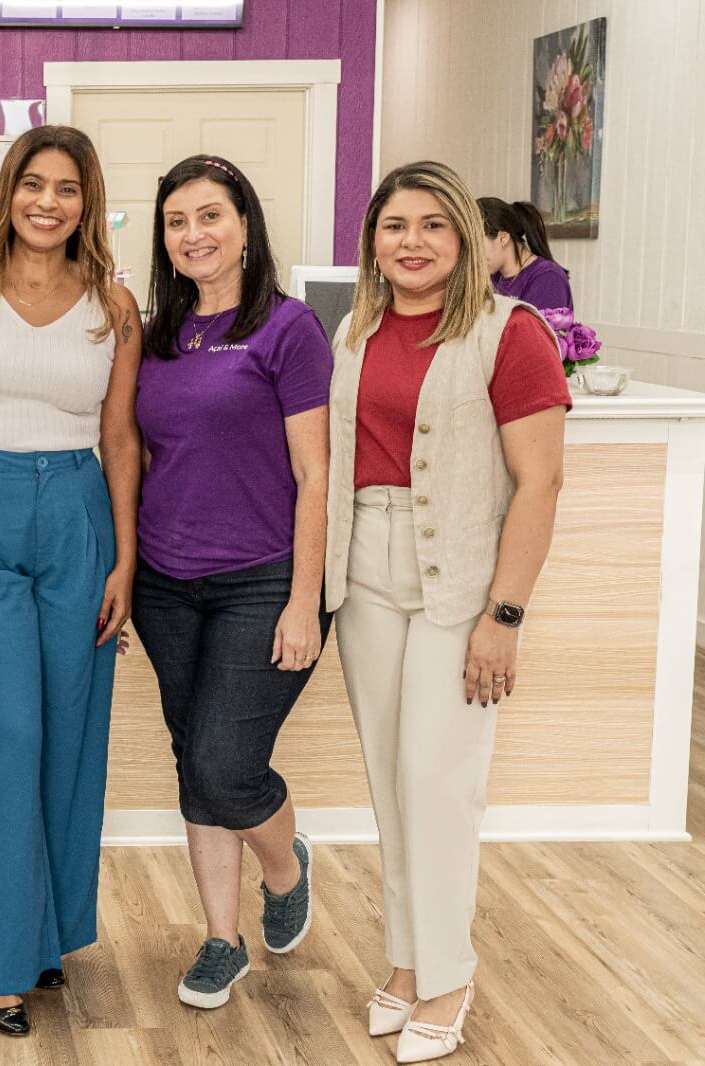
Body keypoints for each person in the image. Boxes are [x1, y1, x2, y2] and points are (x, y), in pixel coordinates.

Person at [328, 161, 569, 1064]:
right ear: (372, 243)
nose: (413, 242)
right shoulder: (355, 329)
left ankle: (450, 974)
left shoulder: (513, 333)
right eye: (396, 225)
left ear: (467, 237)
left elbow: (540, 482)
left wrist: (503, 616)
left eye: (434, 224)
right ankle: (407, 960)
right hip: (366, 575)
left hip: (459, 583)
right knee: (391, 778)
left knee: (439, 779)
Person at [0, 124, 142, 1038]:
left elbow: (120, 436)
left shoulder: (113, 304)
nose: (49, 203)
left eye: (68, 189)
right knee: (6, 735)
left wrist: (124, 559)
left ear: (88, 203)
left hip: (79, 513)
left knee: (70, 736)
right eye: (34, 184)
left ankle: (47, 933)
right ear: (8, 191)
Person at [131, 156, 332, 1010]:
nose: (194, 234)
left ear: (245, 225)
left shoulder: (289, 329)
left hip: (263, 581)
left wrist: (303, 600)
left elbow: (315, 475)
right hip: (164, 585)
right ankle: (221, 939)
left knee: (224, 763)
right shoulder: (156, 336)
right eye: (177, 221)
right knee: (196, 763)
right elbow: (139, 457)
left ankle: (284, 869)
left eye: (210, 215)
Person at [478, 197, 573, 312]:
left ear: (503, 238)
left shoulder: (549, 279)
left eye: (477, 246)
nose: (475, 256)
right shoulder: (492, 278)